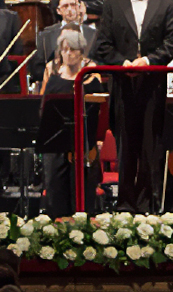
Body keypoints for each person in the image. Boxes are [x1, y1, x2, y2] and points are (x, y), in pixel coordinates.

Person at [92, 0, 173, 213]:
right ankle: (124, 205)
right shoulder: (112, 3)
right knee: (125, 145)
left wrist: (149, 61)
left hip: (153, 84)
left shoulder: (166, 4)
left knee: (150, 147)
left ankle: (147, 206)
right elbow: (103, 44)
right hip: (122, 84)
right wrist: (123, 64)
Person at [40, 28, 103, 218]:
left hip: (83, 146)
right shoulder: (53, 80)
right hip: (56, 147)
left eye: (73, 49)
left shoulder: (92, 81)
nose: (68, 54)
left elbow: (98, 115)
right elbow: (44, 112)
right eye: (64, 49)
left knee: (82, 196)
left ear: (81, 52)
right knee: (56, 195)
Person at [28, 0, 97, 89]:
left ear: (79, 7)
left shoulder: (94, 34)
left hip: (88, 86)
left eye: (73, 5)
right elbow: (37, 68)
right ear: (58, 11)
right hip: (56, 87)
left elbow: (101, 61)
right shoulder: (46, 35)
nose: (70, 9)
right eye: (65, 6)